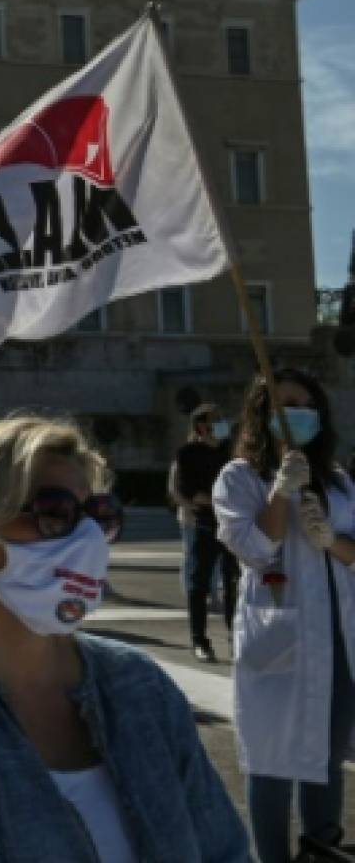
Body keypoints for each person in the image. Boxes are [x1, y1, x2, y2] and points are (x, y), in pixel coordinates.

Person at [0, 417, 247, 862]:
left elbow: (223, 849)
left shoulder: (139, 683)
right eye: (55, 513)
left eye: (101, 517)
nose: (89, 538)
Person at [215, 368, 355, 863]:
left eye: (304, 403)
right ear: (261, 416)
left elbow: (354, 554)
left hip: (336, 635)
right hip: (278, 633)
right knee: (269, 761)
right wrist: (280, 490)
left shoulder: (338, 482)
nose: (295, 412)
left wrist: (329, 540)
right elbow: (254, 547)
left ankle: (321, 850)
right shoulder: (238, 478)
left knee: (327, 755)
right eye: (283, 404)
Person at [170, 403, 239, 664]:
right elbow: (191, 493)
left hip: (231, 525)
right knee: (199, 584)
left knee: (233, 582)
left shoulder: (230, 451)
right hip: (205, 525)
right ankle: (200, 640)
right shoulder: (188, 453)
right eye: (215, 421)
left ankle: (236, 636)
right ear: (201, 427)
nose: (221, 425)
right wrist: (222, 502)